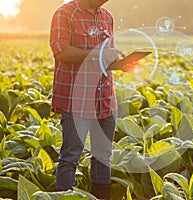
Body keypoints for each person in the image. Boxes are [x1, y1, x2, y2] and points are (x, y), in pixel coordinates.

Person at [49, 0, 129, 199]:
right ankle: (64, 195)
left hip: (105, 98)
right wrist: (98, 54)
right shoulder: (65, 13)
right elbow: (61, 51)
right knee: (71, 156)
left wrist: (121, 64)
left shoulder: (106, 16)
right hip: (77, 98)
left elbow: (106, 60)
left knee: (103, 157)